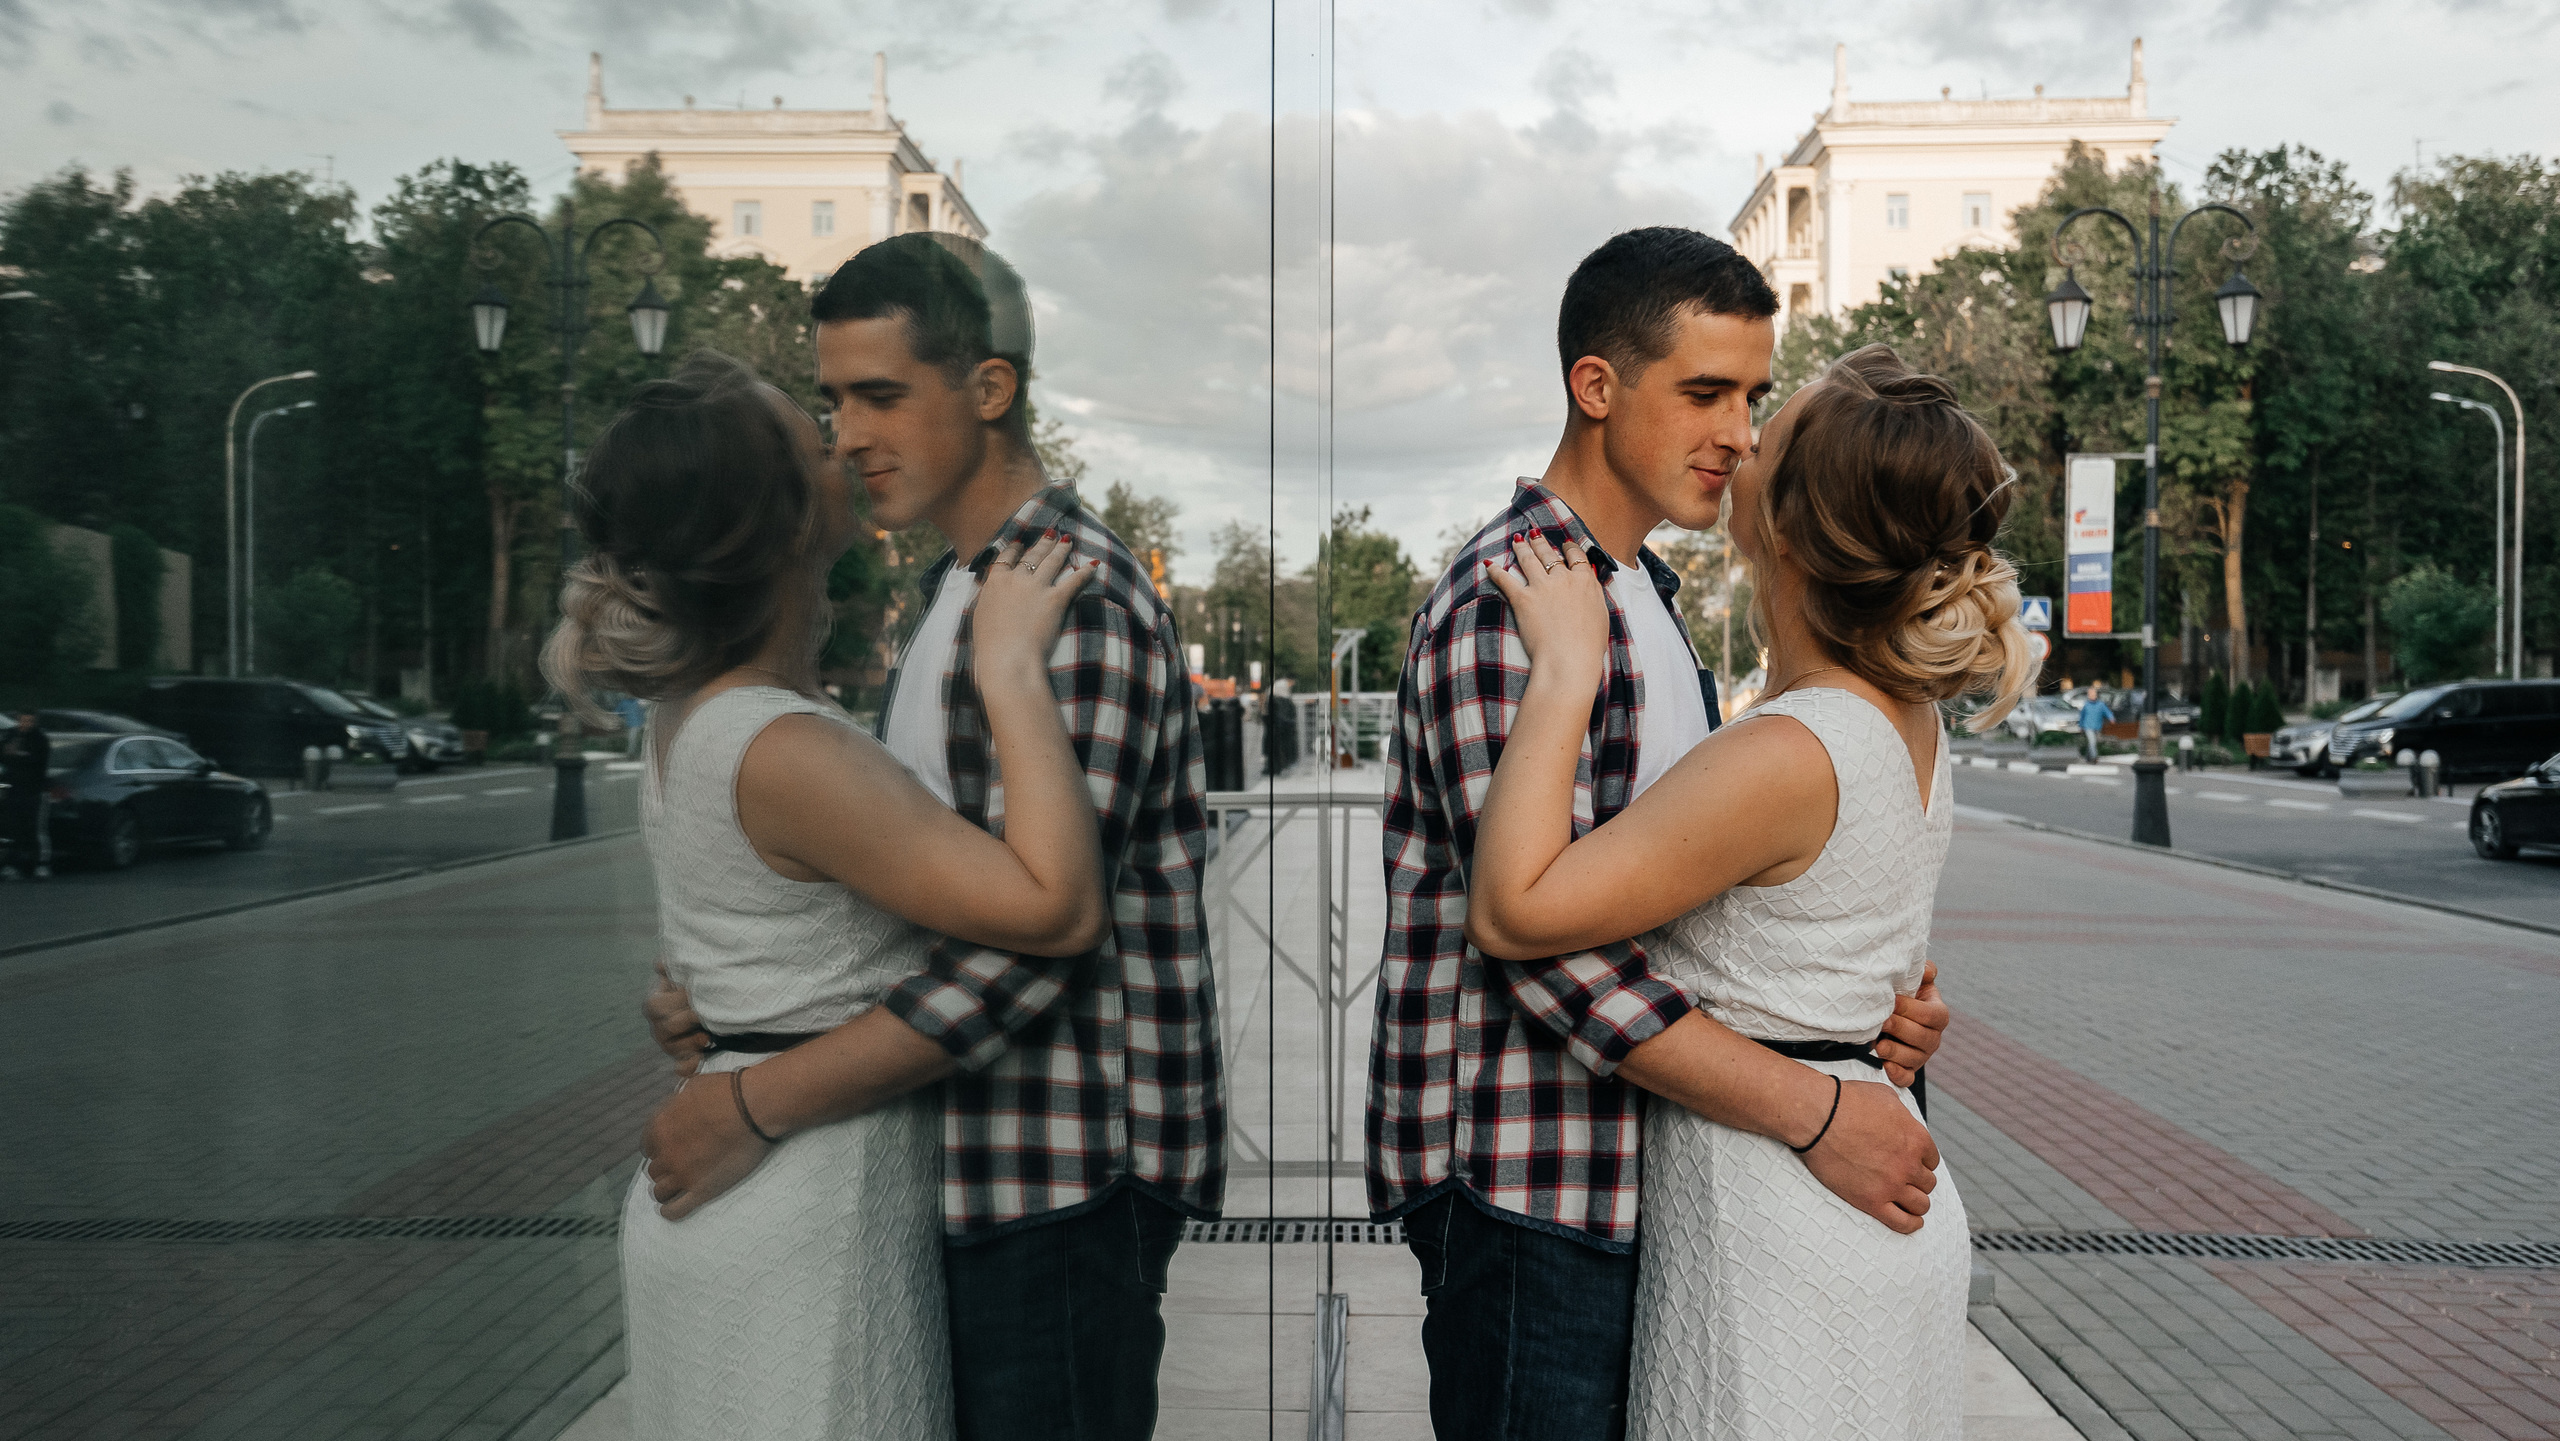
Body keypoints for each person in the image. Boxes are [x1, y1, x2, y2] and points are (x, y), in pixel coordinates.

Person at [1366, 228, 1951, 1441]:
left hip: (1635, 1171)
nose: (1738, 434)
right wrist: (1813, 1102)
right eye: (1703, 393)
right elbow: (1544, 948)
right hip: (1526, 1173)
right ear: (1596, 387)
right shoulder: (1512, 599)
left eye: (1754, 397)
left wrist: (1839, 1009)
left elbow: (1672, 899)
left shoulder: (1639, 592)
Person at [640, 232, 1221, 1441]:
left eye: (881, 395)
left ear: (989, 389)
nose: (847, 434)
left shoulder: (1073, 596)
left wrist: (761, 1095)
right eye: (832, 399)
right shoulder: (956, 593)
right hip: (977, 1159)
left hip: (1061, 1164)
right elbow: (922, 896)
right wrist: (756, 1002)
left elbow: (1034, 945)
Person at [1469, 343, 2033, 1438]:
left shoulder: (1786, 750)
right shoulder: (1900, 721)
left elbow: (1512, 911)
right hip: (1854, 1203)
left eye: (1767, 430)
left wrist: (1567, 667)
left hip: (1782, 1229)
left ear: (1787, 525)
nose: (1739, 437)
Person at [541, 350, 1106, 1440]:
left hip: (751, 1194)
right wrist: (1012, 671)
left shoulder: (694, 722)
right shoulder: (784, 746)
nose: (842, 440)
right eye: (813, 435)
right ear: (780, 522)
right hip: (802, 1212)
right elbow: (1056, 910)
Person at [1, 712, 52, 881]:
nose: (25, 723)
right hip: (14, 789)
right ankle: (13, 865)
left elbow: (37, 762)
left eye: (29, 720)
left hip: (35, 791)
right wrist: (16, 755)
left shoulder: (40, 739)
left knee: (37, 829)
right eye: (22, 720)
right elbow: (4, 756)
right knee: (14, 828)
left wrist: (16, 756)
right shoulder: (11, 736)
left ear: (35, 722)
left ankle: (41, 865)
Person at [2079, 682, 2116, 763]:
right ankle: (2094, 757)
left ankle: (2088, 757)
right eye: (2091, 694)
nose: (2092, 696)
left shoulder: (2101, 704)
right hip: (2088, 726)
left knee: (2093, 742)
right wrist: (2081, 726)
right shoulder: (2086, 705)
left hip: (2097, 726)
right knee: (2092, 742)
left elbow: (2107, 712)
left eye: (2094, 694)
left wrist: (2111, 718)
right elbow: (2082, 716)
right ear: (2088, 695)